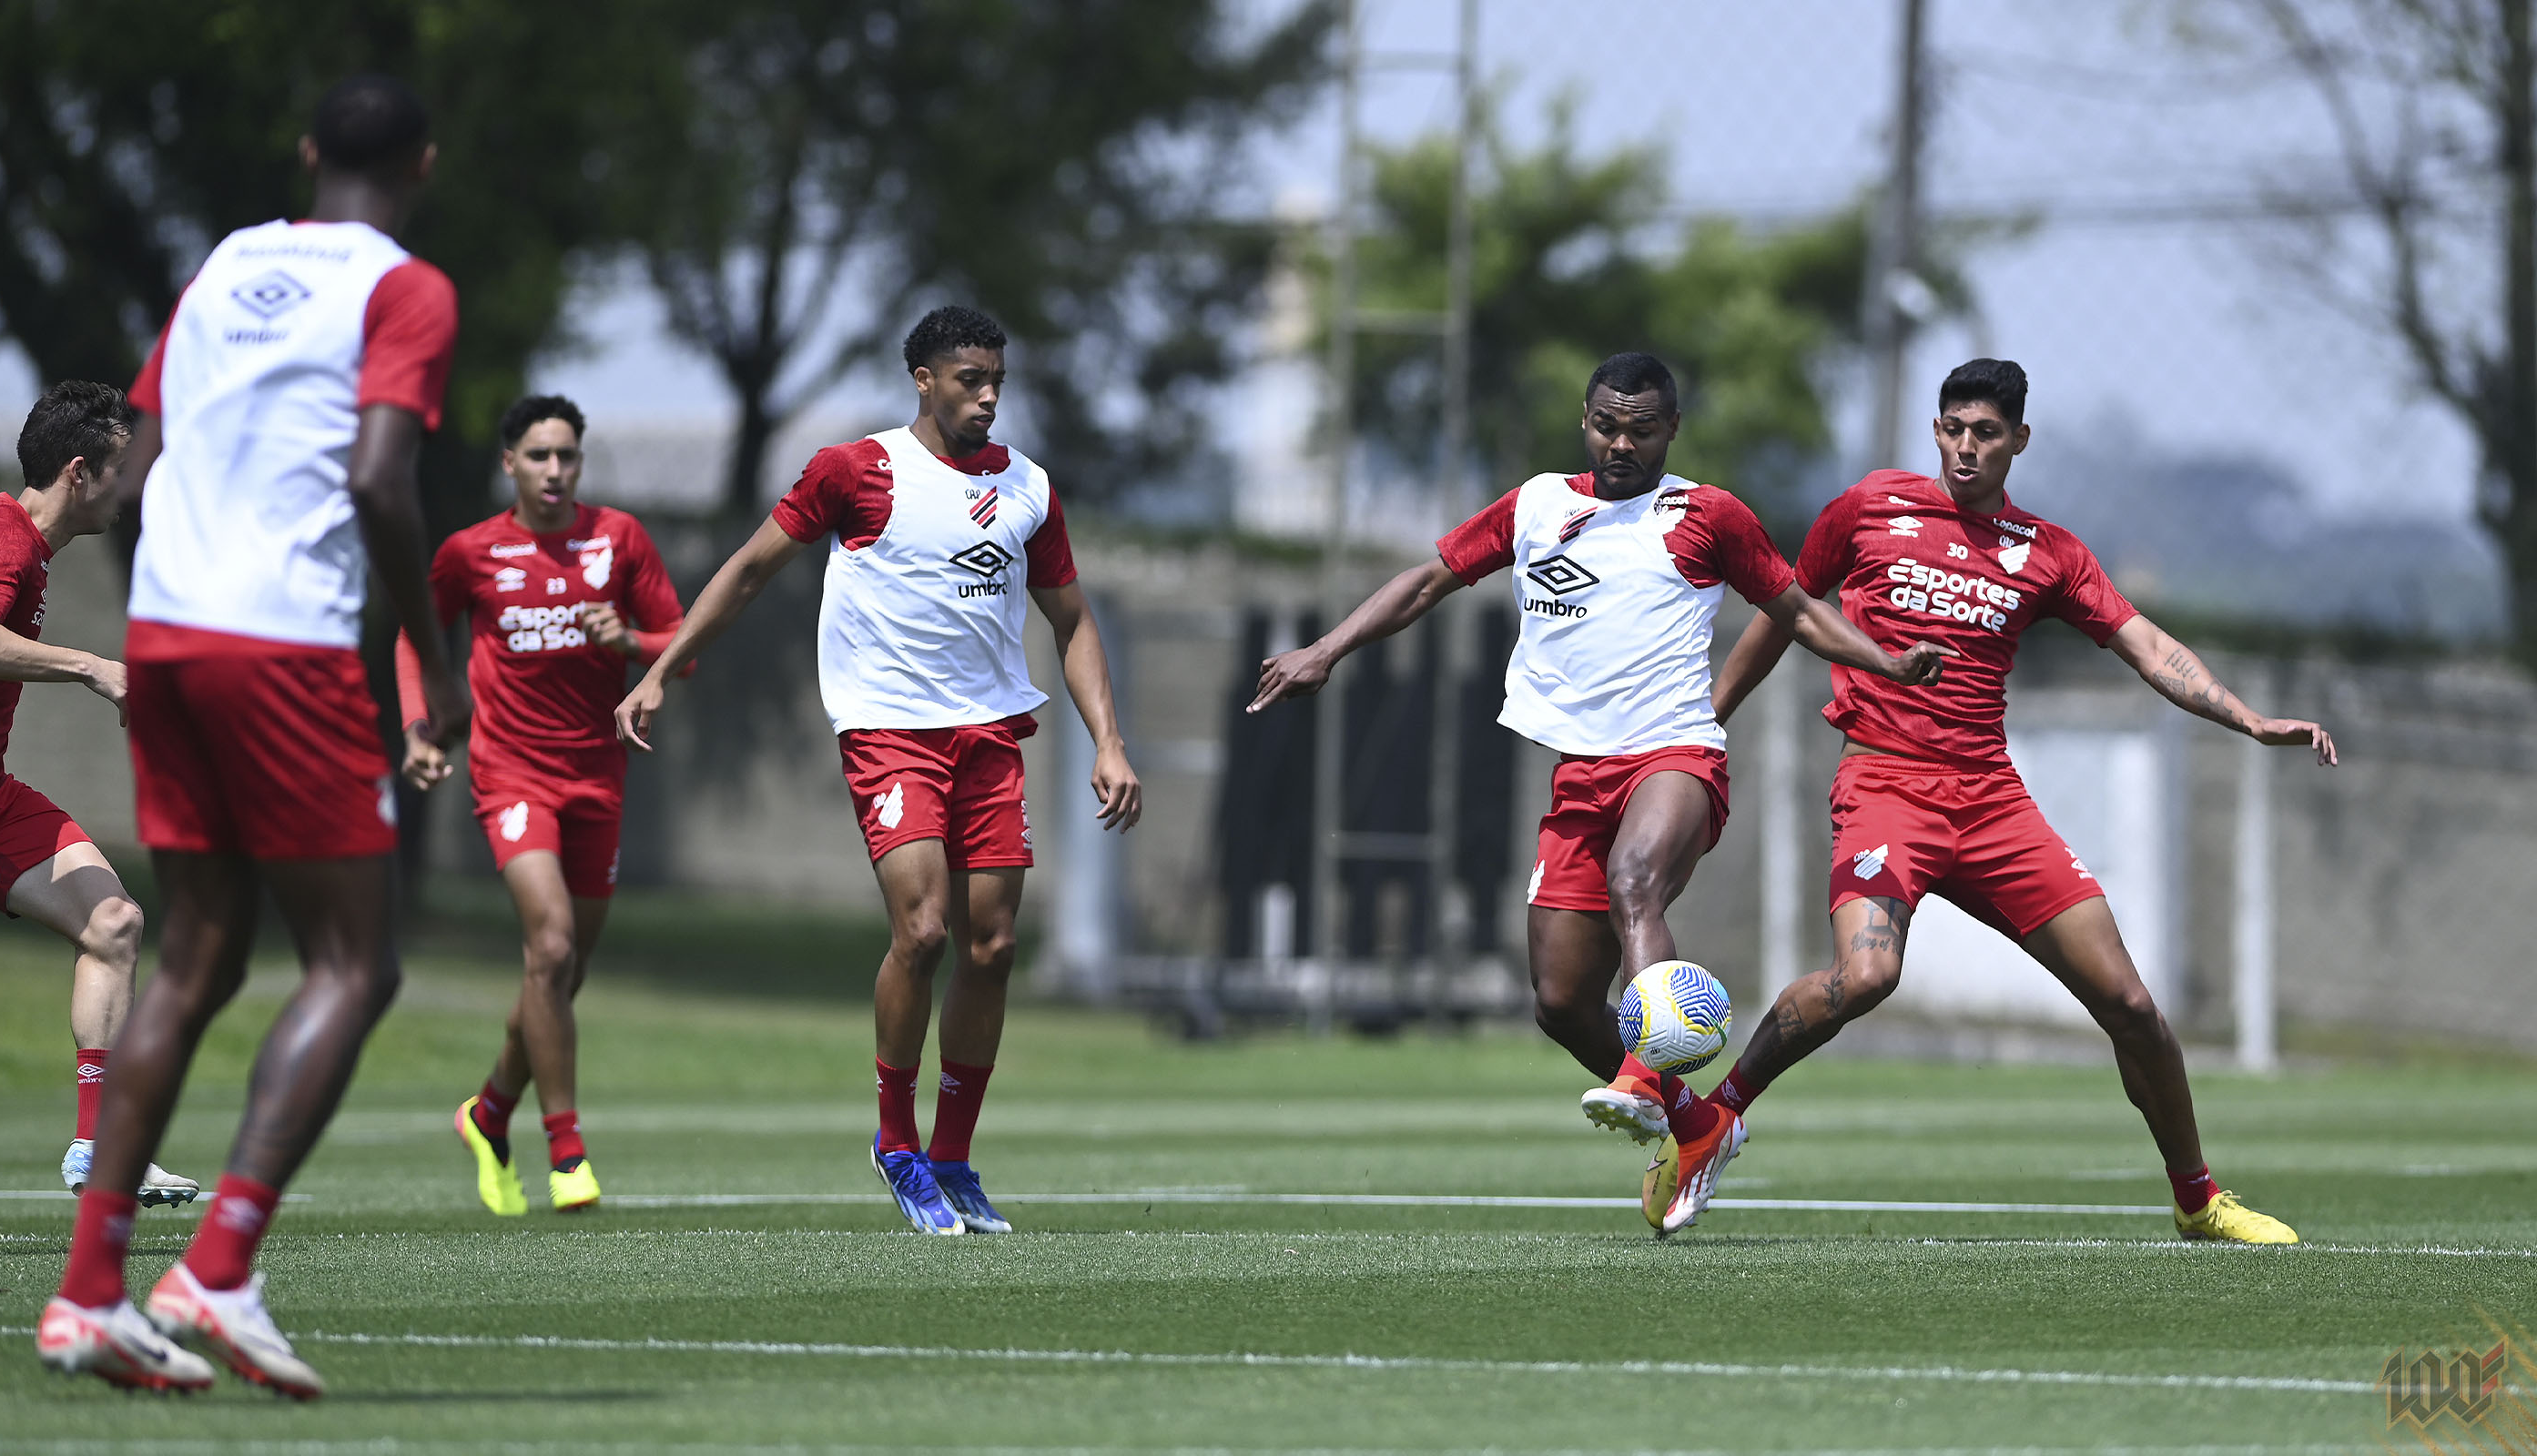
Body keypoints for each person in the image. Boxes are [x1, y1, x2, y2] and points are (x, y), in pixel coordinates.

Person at [1248, 351, 1949, 1236]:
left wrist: (1887, 661)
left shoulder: (1707, 514)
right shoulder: (1538, 505)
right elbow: (1427, 580)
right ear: (1585, 421)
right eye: (1607, 426)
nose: (1622, 443)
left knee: (1635, 882)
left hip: (1676, 756)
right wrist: (1326, 650)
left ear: (1672, 429)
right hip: (1580, 774)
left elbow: (1798, 611)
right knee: (1560, 1000)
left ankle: (1647, 1073)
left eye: (1642, 429)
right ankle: (1696, 1125)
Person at [36, 75, 466, 1397]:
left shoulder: (223, 265)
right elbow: (380, 478)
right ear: (424, 165)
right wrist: (432, 661)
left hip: (168, 634)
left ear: (306, 149)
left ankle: (90, 1294)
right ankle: (217, 1267)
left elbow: (140, 453)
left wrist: (165, 595)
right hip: (281, 646)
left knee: (196, 960)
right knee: (354, 964)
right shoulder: (405, 287)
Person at [1708, 358, 2333, 1245]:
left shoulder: (2048, 552)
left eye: (1987, 433)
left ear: (2019, 441)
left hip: (1990, 804)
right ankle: (1713, 1121)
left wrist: (2249, 719)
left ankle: (2198, 1200)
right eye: (1954, 429)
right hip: (1885, 785)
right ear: (1936, 431)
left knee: (2131, 1005)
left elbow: (2147, 646)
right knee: (1870, 976)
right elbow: (1786, 610)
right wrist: (1709, 721)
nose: (1966, 447)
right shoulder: (1868, 508)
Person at [615, 305, 1141, 1237]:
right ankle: (896, 1144)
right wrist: (661, 668)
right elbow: (750, 569)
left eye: (997, 381)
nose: (988, 396)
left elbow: (1072, 620)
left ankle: (953, 1158)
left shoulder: (1027, 487)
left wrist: (1108, 740)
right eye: (970, 379)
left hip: (989, 737)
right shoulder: (855, 471)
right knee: (924, 929)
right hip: (890, 731)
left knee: (993, 946)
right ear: (924, 380)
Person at [397, 394, 684, 1217]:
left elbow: (682, 644)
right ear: (509, 464)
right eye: (538, 456)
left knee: (561, 971)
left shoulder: (619, 539)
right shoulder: (471, 552)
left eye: (567, 456)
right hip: (511, 775)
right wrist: (419, 729)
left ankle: (488, 1114)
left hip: (598, 778)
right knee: (550, 945)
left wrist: (629, 642)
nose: (554, 470)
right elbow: (417, 637)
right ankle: (567, 1152)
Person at [0, 382, 197, 1209]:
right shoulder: (4, 540)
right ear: (80, 473)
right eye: (122, 469)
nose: (132, 486)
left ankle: (101, 1148)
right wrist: (92, 666)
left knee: (113, 922)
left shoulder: (16, 542)